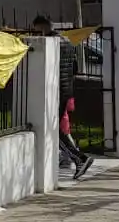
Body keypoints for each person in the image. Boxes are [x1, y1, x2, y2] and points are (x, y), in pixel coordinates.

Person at [34, 15, 94, 179]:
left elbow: (48, 70)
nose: (36, 34)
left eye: (37, 30)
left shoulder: (51, 43)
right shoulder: (67, 42)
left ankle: (79, 158)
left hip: (56, 92)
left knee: (55, 131)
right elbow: (74, 68)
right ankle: (79, 158)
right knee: (59, 128)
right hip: (67, 91)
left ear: (43, 27)